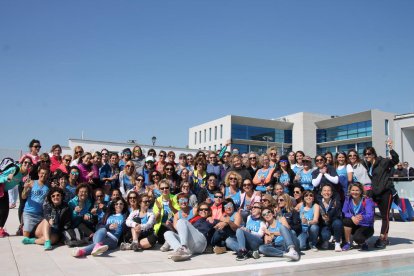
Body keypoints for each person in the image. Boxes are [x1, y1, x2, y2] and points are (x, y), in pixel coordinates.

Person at [362, 140, 399, 249]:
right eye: (365, 154)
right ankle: (375, 236)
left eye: (369, 153)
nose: (367, 156)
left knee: (385, 216)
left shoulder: (382, 161)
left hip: (386, 192)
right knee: (371, 215)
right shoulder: (368, 165)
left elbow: (395, 160)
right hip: (375, 193)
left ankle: (383, 238)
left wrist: (391, 149)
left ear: (373, 154)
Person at [342, 183, 375, 251]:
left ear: (361, 191)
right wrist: (352, 217)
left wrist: (362, 217)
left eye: (357, 190)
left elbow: (370, 216)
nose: (355, 192)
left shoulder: (367, 200)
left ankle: (363, 242)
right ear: (350, 191)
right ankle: (347, 243)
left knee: (358, 239)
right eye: (353, 190)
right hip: (355, 223)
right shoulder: (348, 199)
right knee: (346, 221)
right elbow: (344, 212)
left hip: (366, 225)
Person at [21, 167, 50, 237]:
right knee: (26, 235)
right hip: (29, 213)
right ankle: (23, 227)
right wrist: (25, 188)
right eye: (42, 173)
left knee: (41, 234)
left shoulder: (48, 186)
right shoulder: (32, 183)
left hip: (40, 214)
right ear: (38, 174)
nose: (43, 175)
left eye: (46, 174)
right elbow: (23, 196)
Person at [153, 179, 180, 250]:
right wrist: (159, 210)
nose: (164, 189)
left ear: (169, 188)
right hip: (161, 226)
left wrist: (171, 207)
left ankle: (169, 242)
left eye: (166, 187)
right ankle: (169, 241)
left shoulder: (174, 198)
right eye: (162, 188)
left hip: (173, 225)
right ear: (159, 190)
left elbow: (179, 213)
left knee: (169, 222)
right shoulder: (158, 200)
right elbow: (156, 219)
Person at [317, 184, 343, 252]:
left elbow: (338, 215)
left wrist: (329, 218)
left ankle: (337, 243)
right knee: (325, 235)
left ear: (331, 193)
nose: (326, 192)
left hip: (333, 223)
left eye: (328, 191)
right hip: (323, 225)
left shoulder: (336, 202)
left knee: (338, 223)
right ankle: (326, 241)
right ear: (321, 193)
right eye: (324, 190)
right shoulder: (318, 202)